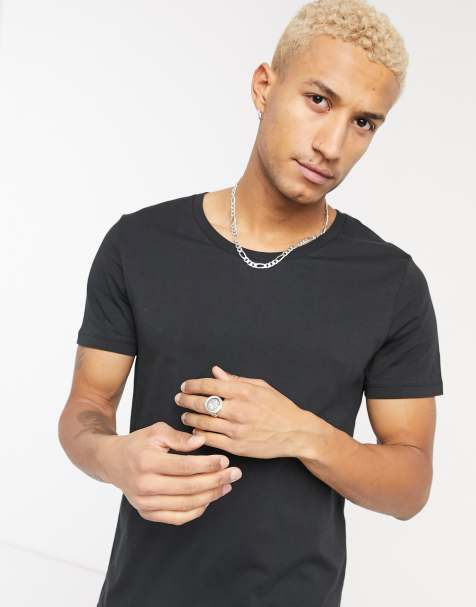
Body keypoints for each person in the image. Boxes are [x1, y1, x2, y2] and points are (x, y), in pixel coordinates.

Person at [58, 1, 444, 605]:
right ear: (265, 86)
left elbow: (410, 486)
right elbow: (88, 404)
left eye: (364, 122)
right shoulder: (140, 243)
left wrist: (302, 434)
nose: (332, 144)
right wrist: (112, 458)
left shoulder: (392, 283)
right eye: (318, 99)